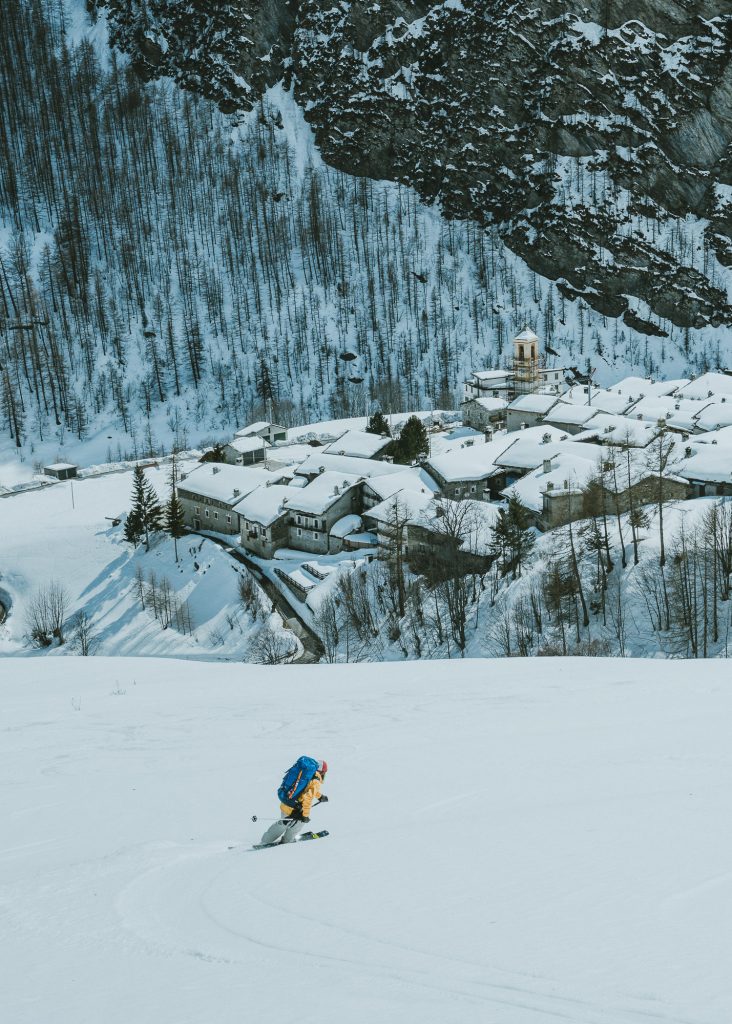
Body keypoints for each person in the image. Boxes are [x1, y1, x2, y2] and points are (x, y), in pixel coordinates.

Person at [259, 759, 328, 846]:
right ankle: (287, 841)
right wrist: (305, 816)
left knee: (284, 822)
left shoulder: (307, 774)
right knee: (298, 823)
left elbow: (307, 789)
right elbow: (308, 798)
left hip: (287, 801)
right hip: (296, 808)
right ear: (322, 772)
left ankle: (265, 840)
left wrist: (320, 796)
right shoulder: (316, 781)